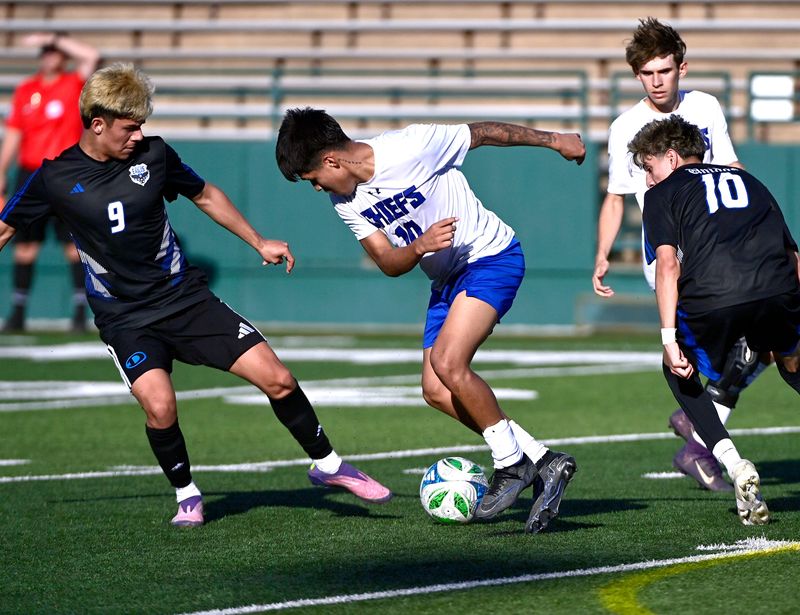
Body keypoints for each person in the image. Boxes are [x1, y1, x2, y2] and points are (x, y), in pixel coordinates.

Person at [0, 64, 392, 527]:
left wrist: (259, 240)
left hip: (185, 299)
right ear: (97, 123)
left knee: (279, 378)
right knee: (161, 408)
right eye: (129, 127)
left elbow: (205, 195)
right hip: (125, 318)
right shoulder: (54, 178)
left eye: (142, 125)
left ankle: (329, 466)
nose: (138, 135)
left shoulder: (156, 157)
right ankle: (187, 494)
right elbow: (5, 228)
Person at [275, 107, 584, 533]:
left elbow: (487, 132)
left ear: (330, 161)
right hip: (446, 280)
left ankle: (511, 465)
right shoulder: (343, 200)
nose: (316, 188)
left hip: (490, 258)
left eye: (312, 179)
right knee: (436, 390)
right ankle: (544, 461)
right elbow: (387, 260)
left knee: (449, 363)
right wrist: (420, 246)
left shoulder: (412, 146)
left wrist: (555, 140)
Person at [591, 17, 768, 492]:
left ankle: (699, 431)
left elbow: (730, 163)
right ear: (637, 76)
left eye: (664, 71)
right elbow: (617, 196)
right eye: (647, 74)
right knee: (700, 351)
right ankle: (702, 435)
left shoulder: (705, 107)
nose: (656, 81)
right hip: (670, 252)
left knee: (763, 335)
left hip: (719, 240)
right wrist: (603, 253)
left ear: (681, 68)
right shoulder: (626, 126)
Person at [630, 114, 800, 525]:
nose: (648, 180)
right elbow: (793, 257)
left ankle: (729, 461)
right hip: (778, 290)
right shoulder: (751, 181)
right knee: (793, 364)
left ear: (671, 158)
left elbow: (668, 266)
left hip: (714, 297)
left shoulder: (662, 193)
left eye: (649, 168)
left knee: (677, 369)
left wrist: (669, 340)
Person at [0, 32, 100, 332]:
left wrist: (54, 37)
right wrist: (1, 171)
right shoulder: (26, 89)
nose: (50, 56)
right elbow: (15, 134)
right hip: (30, 173)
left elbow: (91, 56)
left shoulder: (72, 85)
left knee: (73, 245)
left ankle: (81, 310)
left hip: (66, 172)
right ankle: (18, 310)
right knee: (25, 245)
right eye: (46, 51)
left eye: (55, 51)